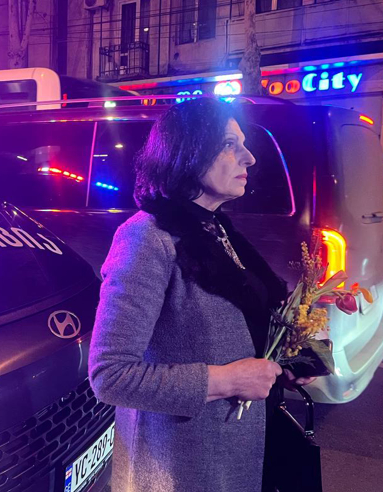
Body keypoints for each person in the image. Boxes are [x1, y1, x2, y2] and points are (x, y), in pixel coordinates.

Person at [88, 98, 313, 492]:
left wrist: (285, 361)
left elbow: (241, 322)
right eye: (229, 144)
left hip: (231, 455)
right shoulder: (147, 238)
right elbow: (110, 375)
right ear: (187, 153)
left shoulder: (215, 228)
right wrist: (227, 380)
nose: (249, 158)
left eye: (244, 144)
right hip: (182, 466)